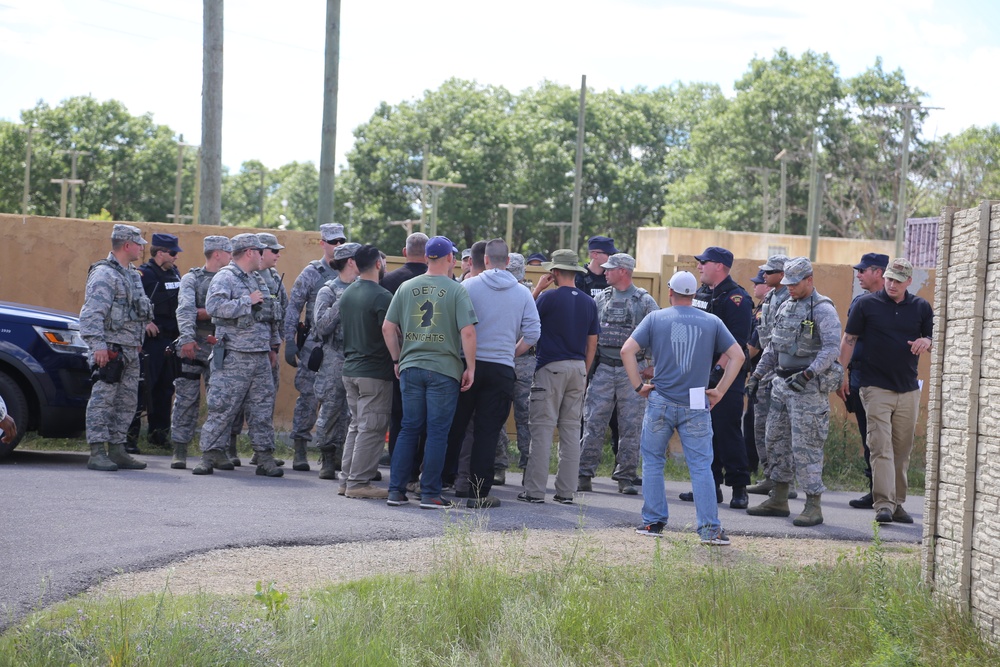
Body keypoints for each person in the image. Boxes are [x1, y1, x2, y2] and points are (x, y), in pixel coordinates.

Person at [624, 270, 742, 544]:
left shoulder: (656, 318)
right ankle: (710, 530)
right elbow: (736, 355)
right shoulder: (712, 321)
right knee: (701, 466)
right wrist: (720, 391)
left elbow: (626, 351)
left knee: (653, 461)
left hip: (661, 399)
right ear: (694, 295)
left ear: (670, 293)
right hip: (697, 401)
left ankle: (653, 523)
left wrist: (639, 387)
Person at [381, 235, 477, 509]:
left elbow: (388, 328)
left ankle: (396, 491)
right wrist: (470, 366)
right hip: (444, 369)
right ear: (450, 258)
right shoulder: (457, 290)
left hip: (411, 366)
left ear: (425, 258)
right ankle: (430, 493)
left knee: (409, 428)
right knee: (437, 432)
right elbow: (468, 331)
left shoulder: (406, 287)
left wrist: (397, 359)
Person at [746, 257, 843, 527]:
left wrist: (810, 372)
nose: (789, 287)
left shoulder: (822, 309)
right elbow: (773, 347)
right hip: (780, 384)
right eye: (787, 282)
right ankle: (778, 498)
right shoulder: (785, 306)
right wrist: (757, 375)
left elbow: (831, 349)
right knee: (775, 440)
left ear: (809, 280)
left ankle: (813, 504)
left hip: (807, 388)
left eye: (795, 282)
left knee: (807, 446)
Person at [448, 239, 540, 508]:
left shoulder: (467, 286)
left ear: (485, 260)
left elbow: (454, 324)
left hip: (468, 365)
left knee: (456, 427)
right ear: (508, 260)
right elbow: (534, 333)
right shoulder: (522, 293)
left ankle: (442, 482)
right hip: (501, 369)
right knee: (488, 432)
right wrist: (511, 352)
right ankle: (479, 493)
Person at [839, 258, 932, 524]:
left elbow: (934, 338)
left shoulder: (921, 307)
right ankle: (882, 504)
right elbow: (849, 340)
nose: (892, 284)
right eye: (889, 279)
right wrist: (839, 376)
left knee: (902, 450)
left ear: (909, 282)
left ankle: (898, 503)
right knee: (880, 446)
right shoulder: (866, 304)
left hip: (907, 389)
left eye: (898, 281)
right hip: (874, 386)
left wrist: (927, 340)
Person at [193, 233, 283, 477]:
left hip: (260, 356)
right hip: (234, 355)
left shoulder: (257, 279)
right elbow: (213, 308)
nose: (264, 254)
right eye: (260, 250)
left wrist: (273, 346)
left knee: (262, 409)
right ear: (250, 252)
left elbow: (270, 314)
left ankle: (264, 456)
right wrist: (246, 300)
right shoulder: (225, 277)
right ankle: (209, 454)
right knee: (222, 407)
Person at [519, 249, 600, 505]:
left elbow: (526, 322)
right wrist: (584, 371)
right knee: (571, 430)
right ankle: (566, 491)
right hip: (578, 368)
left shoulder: (548, 299)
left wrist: (537, 290)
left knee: (542, 430)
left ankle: (534, 491)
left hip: (550, 367)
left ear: (554, 272)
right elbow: (592, 342)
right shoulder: (589, 301)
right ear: (575, 272)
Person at [578, 253, 659, 495]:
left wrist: (652, 366)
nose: (605, 272)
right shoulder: (600, 299)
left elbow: (658, 334)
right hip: (603, 368)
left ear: (623, 271)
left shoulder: (644, 301)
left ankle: (626, 476)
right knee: (593, 422)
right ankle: (583, 474)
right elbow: (589, 335)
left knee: (631, 425)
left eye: (610, 269)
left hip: (631, 371)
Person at [681, 246, 753, 509]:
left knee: (727, 431)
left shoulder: (737, 299)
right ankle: (709, 487)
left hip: (726, 377)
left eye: (704, 262)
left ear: (720, 266)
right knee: (700, 432)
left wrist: (717, 374)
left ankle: (738, 487)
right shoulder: (700, 295)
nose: (699, 266)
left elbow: (736, 343)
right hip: (698, 375)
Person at [79, 224, 153, 471]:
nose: (143, 248)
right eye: (139, 244)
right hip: (110, 348)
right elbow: (91, 314)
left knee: (127, 401)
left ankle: (118, 449)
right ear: (127, 245)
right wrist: (98, 345)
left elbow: (137, 311)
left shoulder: (132, 274)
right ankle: (97, 451)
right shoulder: (104, 274)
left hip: (131, 348)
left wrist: (138, 341)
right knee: (103, 400)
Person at [283, 223, 346, 466]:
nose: (337, 246)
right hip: (314, 346)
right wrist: (290, 341)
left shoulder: (351, 271)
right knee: (308, 398)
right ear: (322, 244)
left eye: (341, 241)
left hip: (340, 347)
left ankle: (333, 453)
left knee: (339, 402)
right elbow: (293, 308)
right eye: (332, 242)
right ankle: (300, 447)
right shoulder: (312, 272)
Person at [169, 235, 232, 469]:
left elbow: (234, 312)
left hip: (221, 347)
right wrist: (186, 338)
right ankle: (180, 450)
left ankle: (217, 449)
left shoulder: (232, 278)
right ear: (217, 254)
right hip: (193, 346)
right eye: (228, 252)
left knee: (220, 401)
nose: (231, 257)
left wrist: (207, 312)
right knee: (186, 398)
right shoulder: (191, 278)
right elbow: (185, 310)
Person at [338, 245, 395, 499]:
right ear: (379, 265)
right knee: (371, 428)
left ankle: (347, 479)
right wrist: (397, 358)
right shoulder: (382, 296)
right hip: (374, 371)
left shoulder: (348, 292)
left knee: (357, 426)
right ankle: (359, 483)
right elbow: (390, 330)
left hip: (350, 369)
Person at [837, 252, 889, 510]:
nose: (858, 274)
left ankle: (886, 494)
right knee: (867, 437)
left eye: (863, 270)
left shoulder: (896, 303)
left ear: (878, 272)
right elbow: (850, 340)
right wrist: (843, 376)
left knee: (885, 440)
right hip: (858, 378)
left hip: (884, 381)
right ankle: (874, 490)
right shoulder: (860, 301)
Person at [127, 232, 183, 452]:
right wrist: (146, 322)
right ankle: (129, 438)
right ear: (160, 253)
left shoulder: (175, 274)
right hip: (151, 342)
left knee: (165, 389)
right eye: (172, 253)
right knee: (142, 389)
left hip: (170, 341)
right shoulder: (143, 275)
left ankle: (159, 435)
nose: (176, 257)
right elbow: (130, 303)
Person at [745, 255, 795, 497]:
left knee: (780, 431)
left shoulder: (791, 299)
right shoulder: (771, 298)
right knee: (761, 426)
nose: (763, 275)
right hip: (766, 370)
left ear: (782, 274)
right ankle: (769, 475)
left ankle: (785, 482)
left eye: (769, 271)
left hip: (783, 372)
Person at [311, 241, 362, 478]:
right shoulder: (328, 291)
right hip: (334, 355)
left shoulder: (366, 287)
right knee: (331, 408)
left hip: (359, 355)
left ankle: (349, 458)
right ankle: (328, 458)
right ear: (351, 261)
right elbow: (322, 326)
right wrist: (343, 302)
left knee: (355, 411)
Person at [380, 232, 429, 463]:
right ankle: (419, 464)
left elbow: (382, 324)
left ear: (404, 252)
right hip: (432, 357)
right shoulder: (440, 283)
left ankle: (397, 460)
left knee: (399, 415)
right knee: (428, 416)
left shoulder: (389, 281)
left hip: (397, 356)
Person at [501, 252, 536, 472]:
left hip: (514, 359)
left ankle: (523, 464)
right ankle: (505, 464)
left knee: (523, 416)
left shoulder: (528, 293)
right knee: (507, 416)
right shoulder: (526, 293)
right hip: (517, 358)